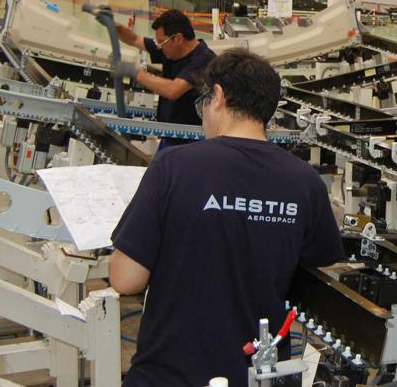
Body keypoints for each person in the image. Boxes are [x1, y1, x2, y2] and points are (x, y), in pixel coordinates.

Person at [109, 49, 344, 387]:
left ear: (217, 96)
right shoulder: (305, 181)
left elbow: (126, 279)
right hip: (260, 374)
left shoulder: (173, 167)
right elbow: (316, 268)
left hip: (171, 373)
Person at [113, 9, 216, 149]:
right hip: (170, 135)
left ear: (178, 38)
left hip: (192, 141)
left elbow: (173, 90)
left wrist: (135, 73)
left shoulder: (203, 59)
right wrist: (114, 26)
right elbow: (134, 39)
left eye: (162, 42)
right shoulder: (171, 51)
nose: (159, 47)